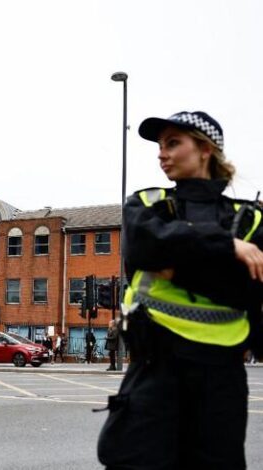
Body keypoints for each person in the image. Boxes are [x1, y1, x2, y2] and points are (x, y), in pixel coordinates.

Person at [97, 111, 263, 469]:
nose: (162, 153)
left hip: (221, 375)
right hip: (156, 367)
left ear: (205, 150)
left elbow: (251, 290)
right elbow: (143, 248)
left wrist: (178, 259)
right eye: (160, 145)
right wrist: (228, 248)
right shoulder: (146, 203)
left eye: (173, 143)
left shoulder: (250, 217)